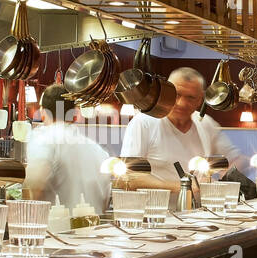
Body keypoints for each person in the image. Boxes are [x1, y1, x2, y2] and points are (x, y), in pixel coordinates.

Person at [119, 65, 243, 190]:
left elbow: (235, 160)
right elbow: (128, 177)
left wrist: (222, 182)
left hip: (199, 208)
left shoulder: (206, 124)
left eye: (191, 97)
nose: (182, 103)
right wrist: (182, 187)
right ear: (167, 92)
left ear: (201, 99)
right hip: (157, 207)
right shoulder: (144, 122)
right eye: (177, 94)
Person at [23, 85, 111, 213]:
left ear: (43, 113)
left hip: (53, 231)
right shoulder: (98, 151)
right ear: (74, 114)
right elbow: (105, 200)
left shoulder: (45, 138)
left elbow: (34, 184)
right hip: (93, 230)